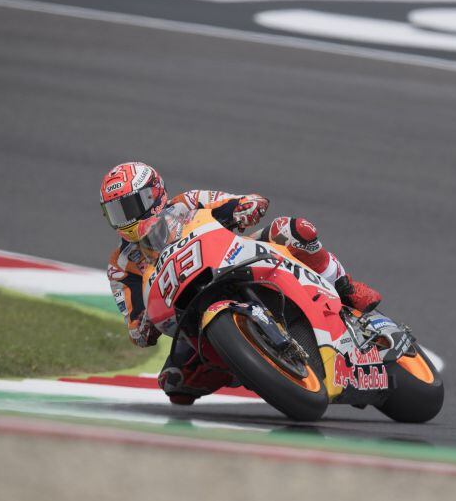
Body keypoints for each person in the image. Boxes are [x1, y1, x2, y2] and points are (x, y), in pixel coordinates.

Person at [100, 161, 381, 405]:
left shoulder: (188, 203)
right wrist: (144, 326)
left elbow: (242, 202)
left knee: (293, 230)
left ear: (154, 194)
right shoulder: (121, 265)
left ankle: (346, 287)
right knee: (176, 386)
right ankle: (245, 360)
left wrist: (245, 207)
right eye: (115, 212)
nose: (125, 219)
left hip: (233, 259)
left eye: (129, 206)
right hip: (188, 312)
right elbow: (135, 325)